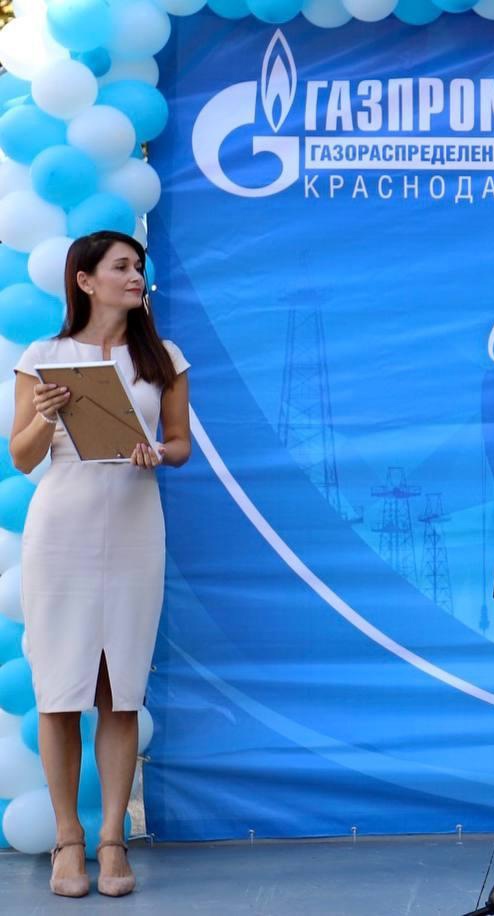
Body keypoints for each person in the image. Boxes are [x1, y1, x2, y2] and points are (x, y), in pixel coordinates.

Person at [9, 230, 191, 899]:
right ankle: (68, 840)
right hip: (62, 532)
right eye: (122, 266)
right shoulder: (44, 356)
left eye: (138, 266)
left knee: (121, 689)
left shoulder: (162, 357)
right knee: (60, 689)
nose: (136, 275)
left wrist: (157, 452)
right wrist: (46, 416)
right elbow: (23, 456)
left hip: (137, 528)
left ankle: (113, 839)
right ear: (85, 280)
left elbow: (180, 444)